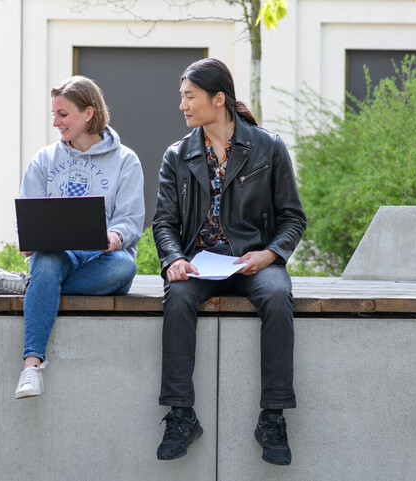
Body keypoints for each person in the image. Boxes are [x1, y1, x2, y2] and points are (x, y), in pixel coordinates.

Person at [152, 58, 306, 465]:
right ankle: (181, 414)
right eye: (182, 97)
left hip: (255, 261)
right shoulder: (177, 155)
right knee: (179, 296)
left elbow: (293, 216)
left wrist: (270, 254)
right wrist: (174, 259)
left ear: (218, 99)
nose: (182, 105)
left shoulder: (267, 147)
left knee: (276, 295)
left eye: (189, 96)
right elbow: (164, 222)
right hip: (200, 264)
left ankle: (272, 417)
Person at [0, 75, 145, 400]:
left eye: (63, 114)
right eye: (54, 114)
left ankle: (34, 286)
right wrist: (29, 239)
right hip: (59, 255)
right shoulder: (44, 160)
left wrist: (112, 237)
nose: (55, 122)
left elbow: (130, 221)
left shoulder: (126, 161)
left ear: (88, 113)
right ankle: (31, 367)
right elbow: (29, 215)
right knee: (46, 260)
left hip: (102, 259)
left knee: (125, 267)